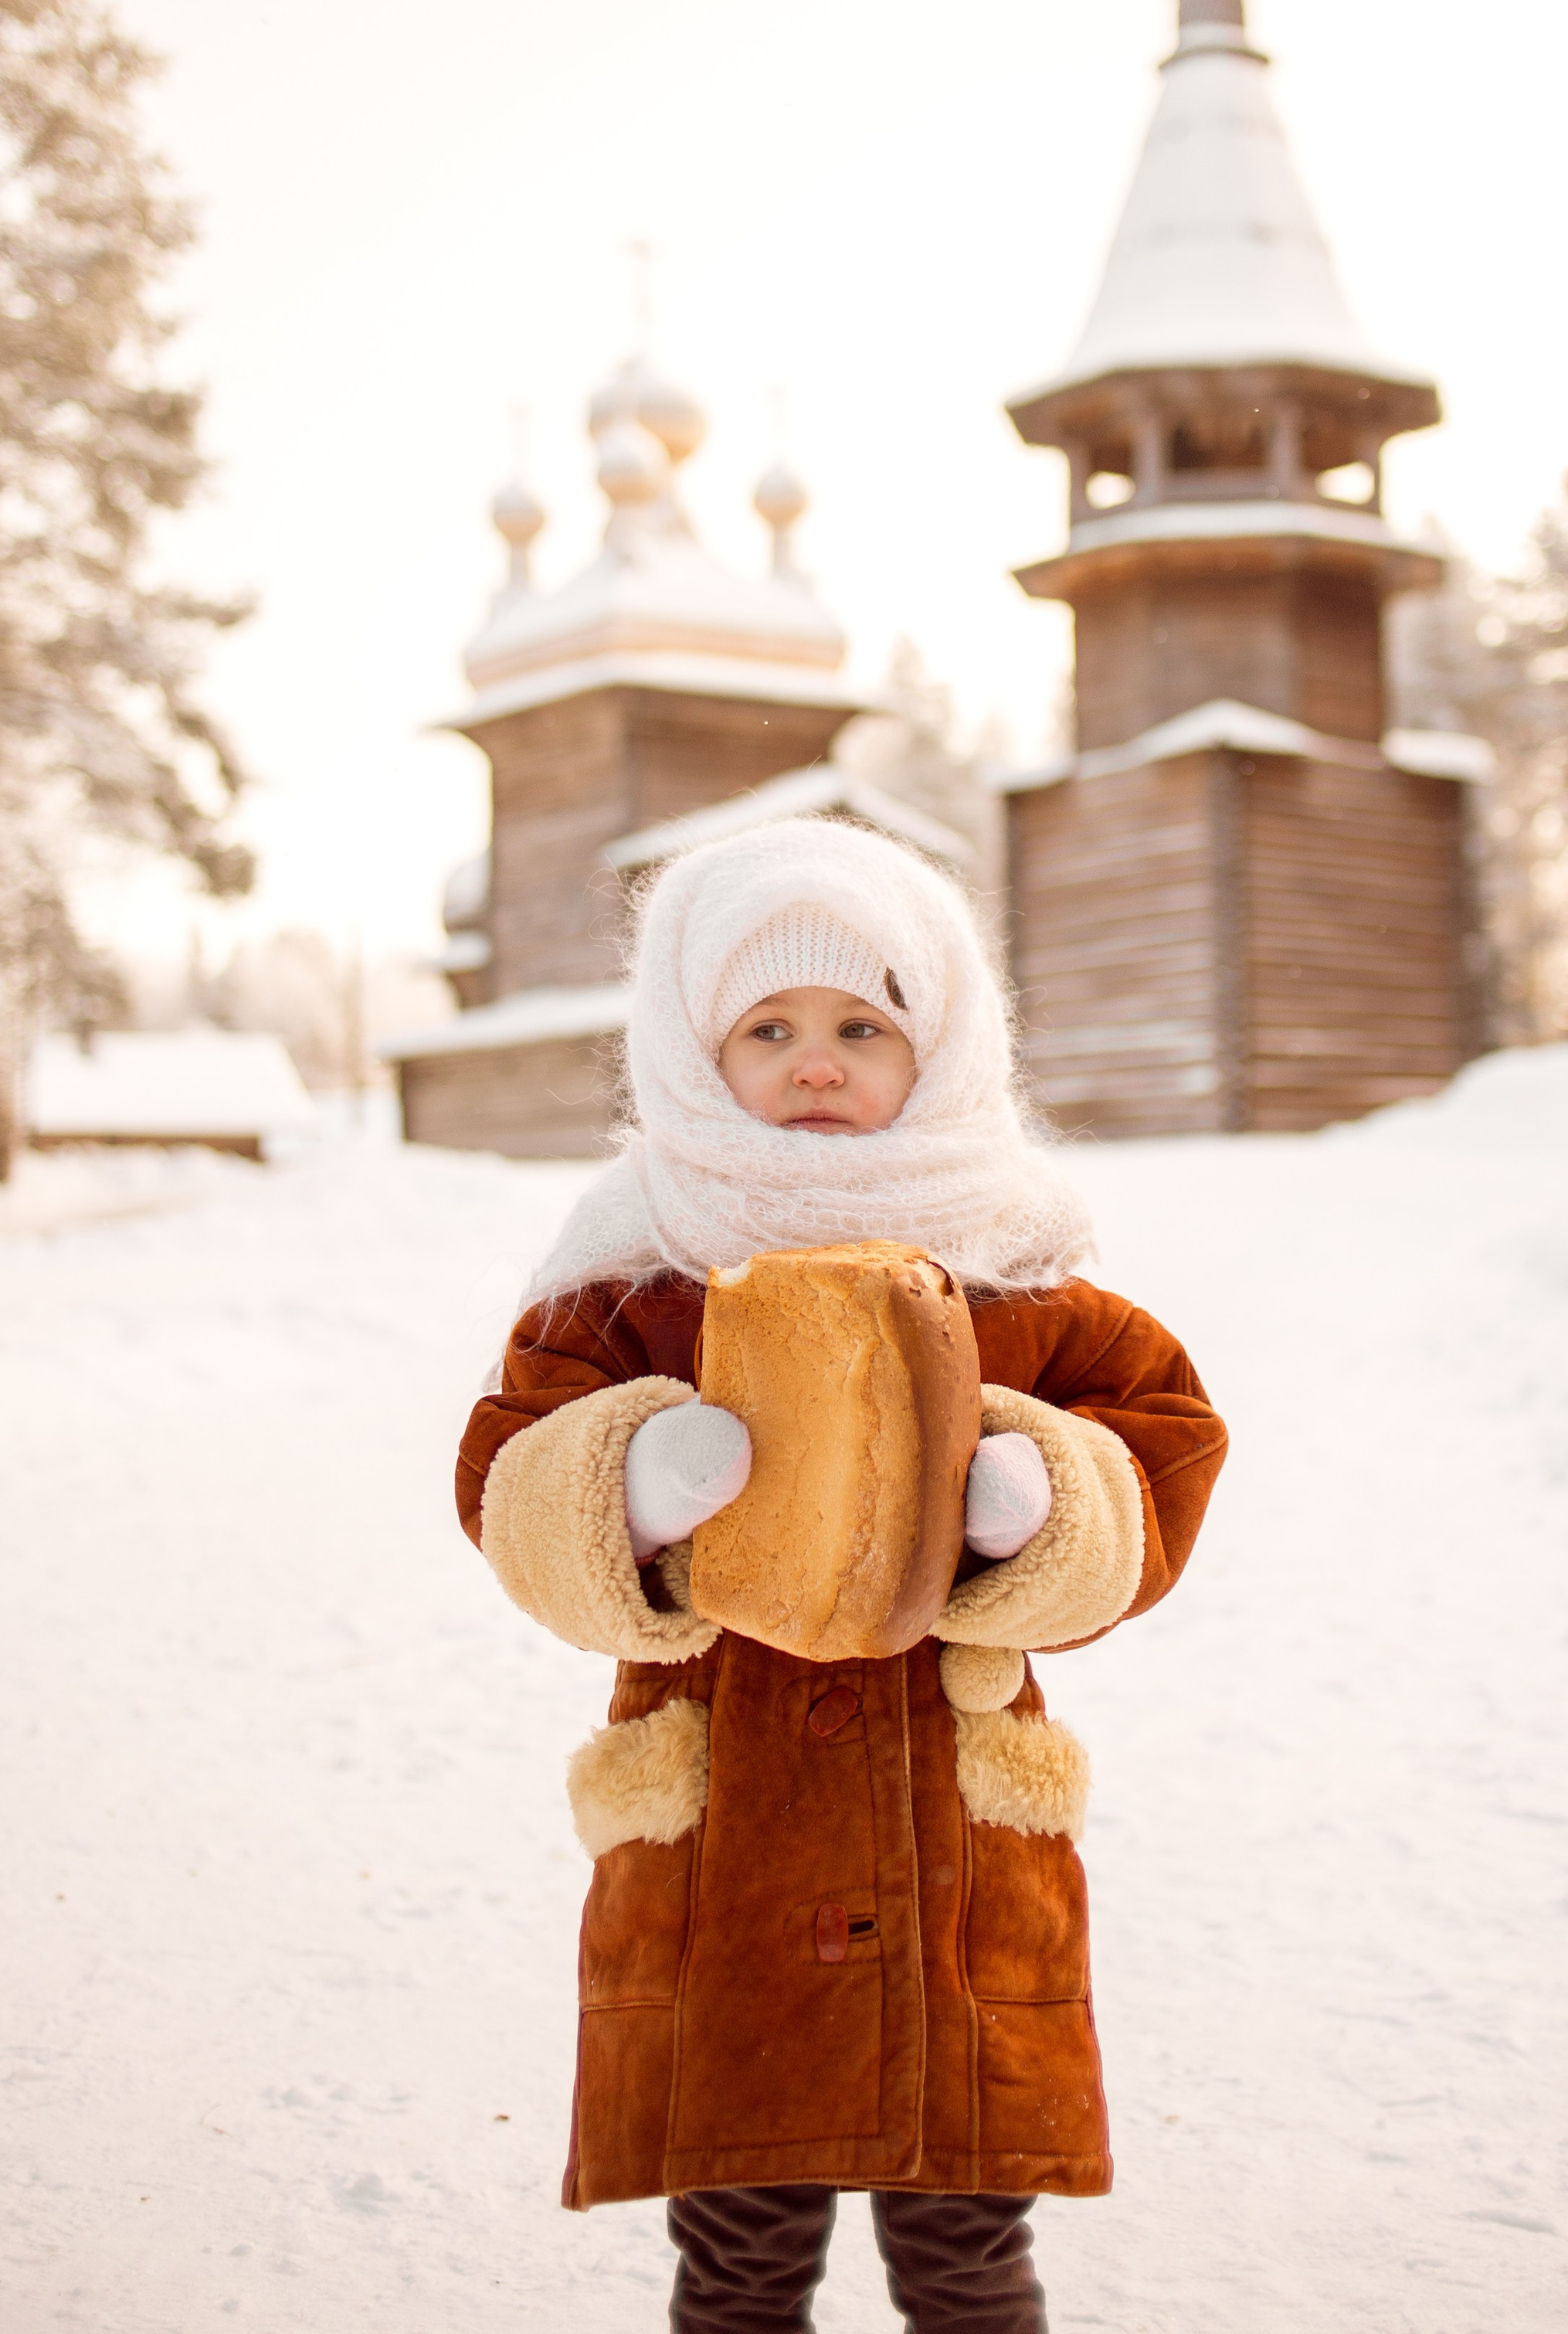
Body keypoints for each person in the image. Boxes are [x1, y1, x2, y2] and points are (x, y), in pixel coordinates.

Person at [456, 818, 1227, 2332]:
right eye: (768, 1028)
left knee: (965, 2240)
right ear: (694, 1054)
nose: (816, 1064)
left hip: (946, 1824)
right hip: (725, 1839)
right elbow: (506, 1475)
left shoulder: (1014, 1265)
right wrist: (624, 1485)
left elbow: (1161, 1433)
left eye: (860, 1026)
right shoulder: (632, 1273)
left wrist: (1044, 1495)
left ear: (933, 1047)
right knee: (737, 2245)